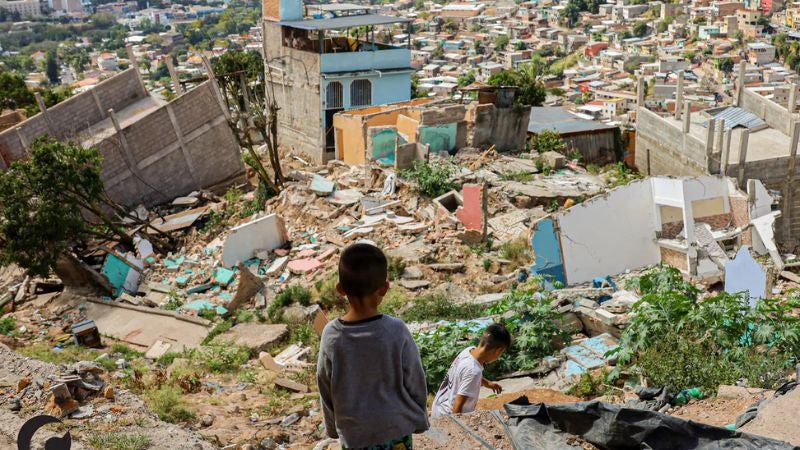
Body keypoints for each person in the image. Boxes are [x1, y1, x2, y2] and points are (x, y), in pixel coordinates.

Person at [316, 243, 429, 450]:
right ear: (384, 288)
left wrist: (333, 427)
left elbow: (325, 384)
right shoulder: (396, 330)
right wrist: (419, 417)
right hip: (396, 429)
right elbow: (415, 377)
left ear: (340, 289)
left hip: (355, 437)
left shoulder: (332, 335)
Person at [431, 323, 511, 418]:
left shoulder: (469, 351)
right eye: (501, 353)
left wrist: (488, 383)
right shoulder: (473, 371)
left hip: (438, 407)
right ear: (499, 350)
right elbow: (457, 406)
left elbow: (467, 375)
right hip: (446, 417)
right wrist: (458, 430)